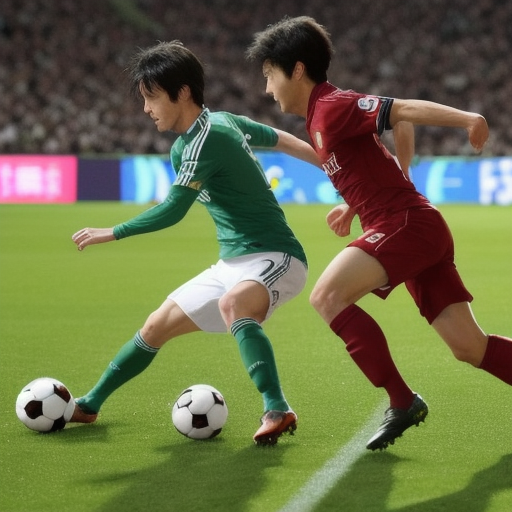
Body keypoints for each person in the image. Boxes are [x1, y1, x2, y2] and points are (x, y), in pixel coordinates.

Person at [246, 16, 512, 450]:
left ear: (297, 69)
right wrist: (364, 200)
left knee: (327, 296)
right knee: (470, 347)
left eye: (269, 75)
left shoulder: (332, 106)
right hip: (414, 226)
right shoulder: (319, 118)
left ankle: (402, 401)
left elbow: (401, 111)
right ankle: (403, 400)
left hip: (405, 225)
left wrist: (470, 119)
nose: (267, 88)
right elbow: (394, 128)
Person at [70, 40, 321, 446]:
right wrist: (325, 160)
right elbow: (278, 138)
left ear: (183, 92)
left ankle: (277, 407)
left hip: (278, 256)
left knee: (234, 305)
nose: (146, 109)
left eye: (152, 97)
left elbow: (173, 209)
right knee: (155, 326)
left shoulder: (212, 135)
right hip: (232, 263)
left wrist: (112, 231)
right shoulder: (197, 138)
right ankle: (90, 404)